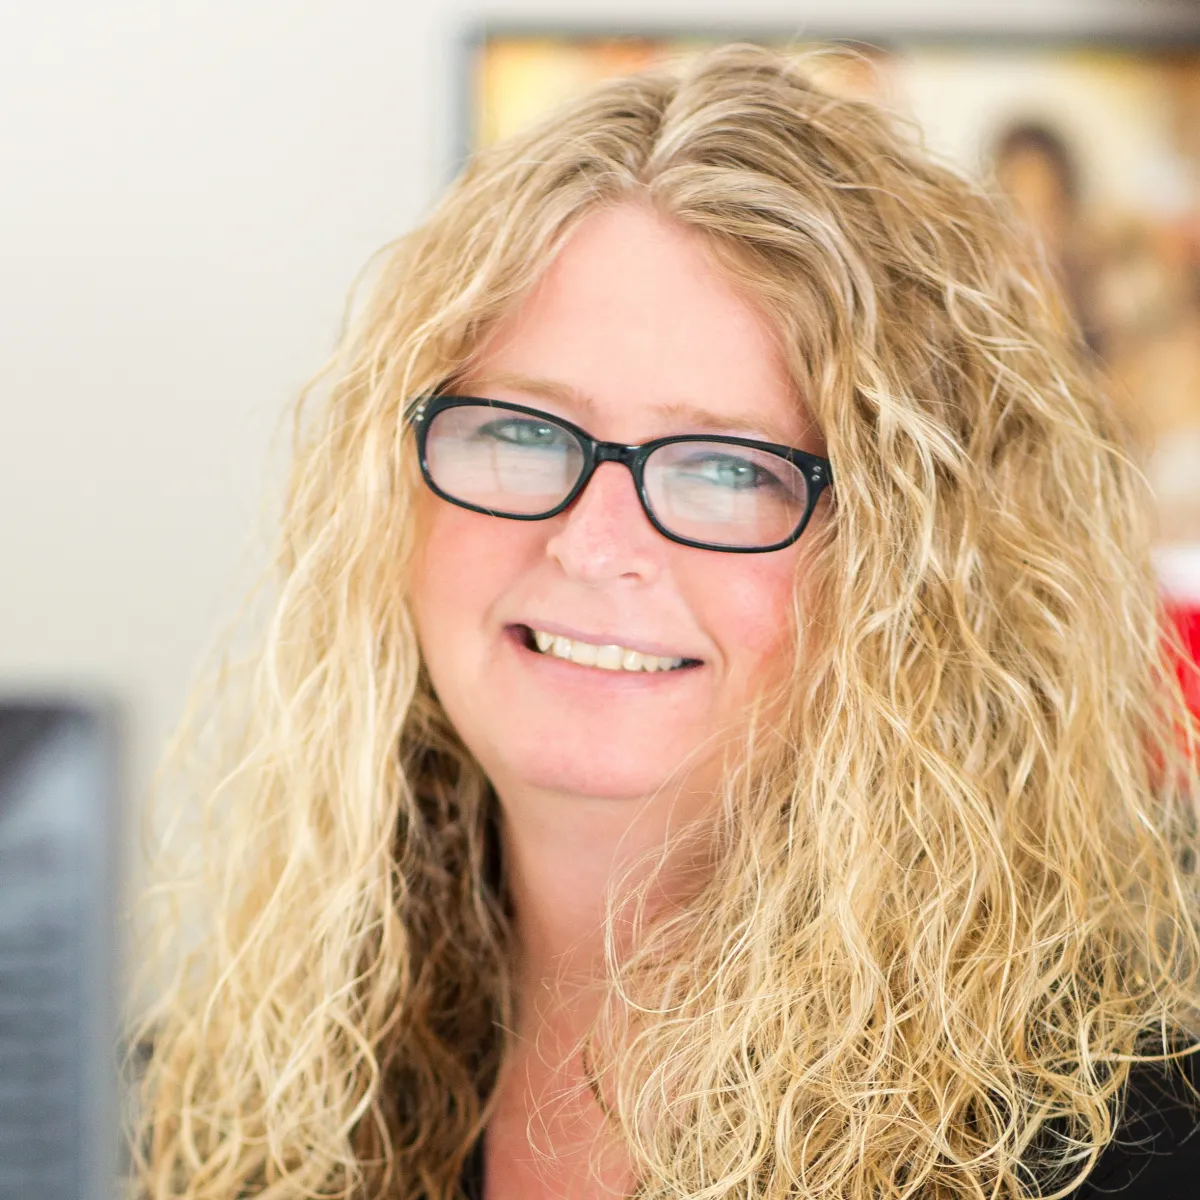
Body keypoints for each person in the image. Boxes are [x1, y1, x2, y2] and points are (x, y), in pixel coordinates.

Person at [127, 45, 1200, 1200]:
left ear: (915, 560)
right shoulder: (245, 1084)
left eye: (728, 468)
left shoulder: (1137, 1127)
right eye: (522, 431)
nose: (591, 544)